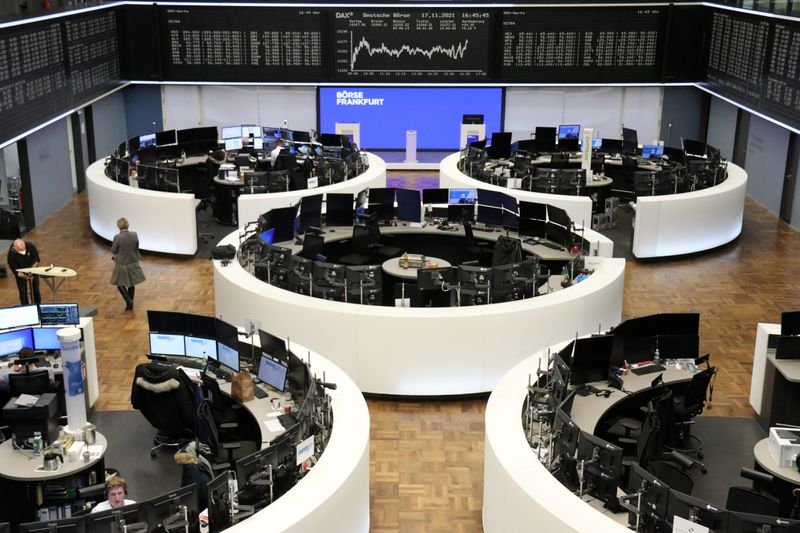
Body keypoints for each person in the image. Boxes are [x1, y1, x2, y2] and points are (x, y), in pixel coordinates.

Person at [111, 218, 145, 311]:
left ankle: (129, 301)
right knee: (131, 283)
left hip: (122, 263)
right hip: (133, 261)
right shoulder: (134, 234)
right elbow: (137, 246)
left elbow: (113, 250)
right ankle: (130, 304)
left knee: (119, 283)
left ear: (118, 226)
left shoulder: (117, 237)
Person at [7, 238, 41, 305]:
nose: (23, 244)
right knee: (23, 291)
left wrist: (32, 271)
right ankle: (25, 306)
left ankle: (37, 304)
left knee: (36, 289)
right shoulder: (11, 255)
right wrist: (27, 277)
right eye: (20, 244)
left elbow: (37, 259)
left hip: (32, 269)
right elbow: (16, 271)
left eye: (22, 243)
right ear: (15, 247)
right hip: (21, 272)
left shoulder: (30, 246)